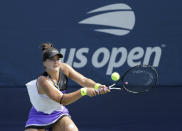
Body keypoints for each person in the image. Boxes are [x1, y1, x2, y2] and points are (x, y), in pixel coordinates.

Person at [24, 42, 110, 131]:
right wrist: (83, 91)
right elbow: (62, 100)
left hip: (57, 112)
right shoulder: (43, 81)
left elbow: (83, 80)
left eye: (58, 59)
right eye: (52, 59)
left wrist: (97, 86)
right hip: (39, 115)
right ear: (44, 63)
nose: (55, 62)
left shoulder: (64, 68)